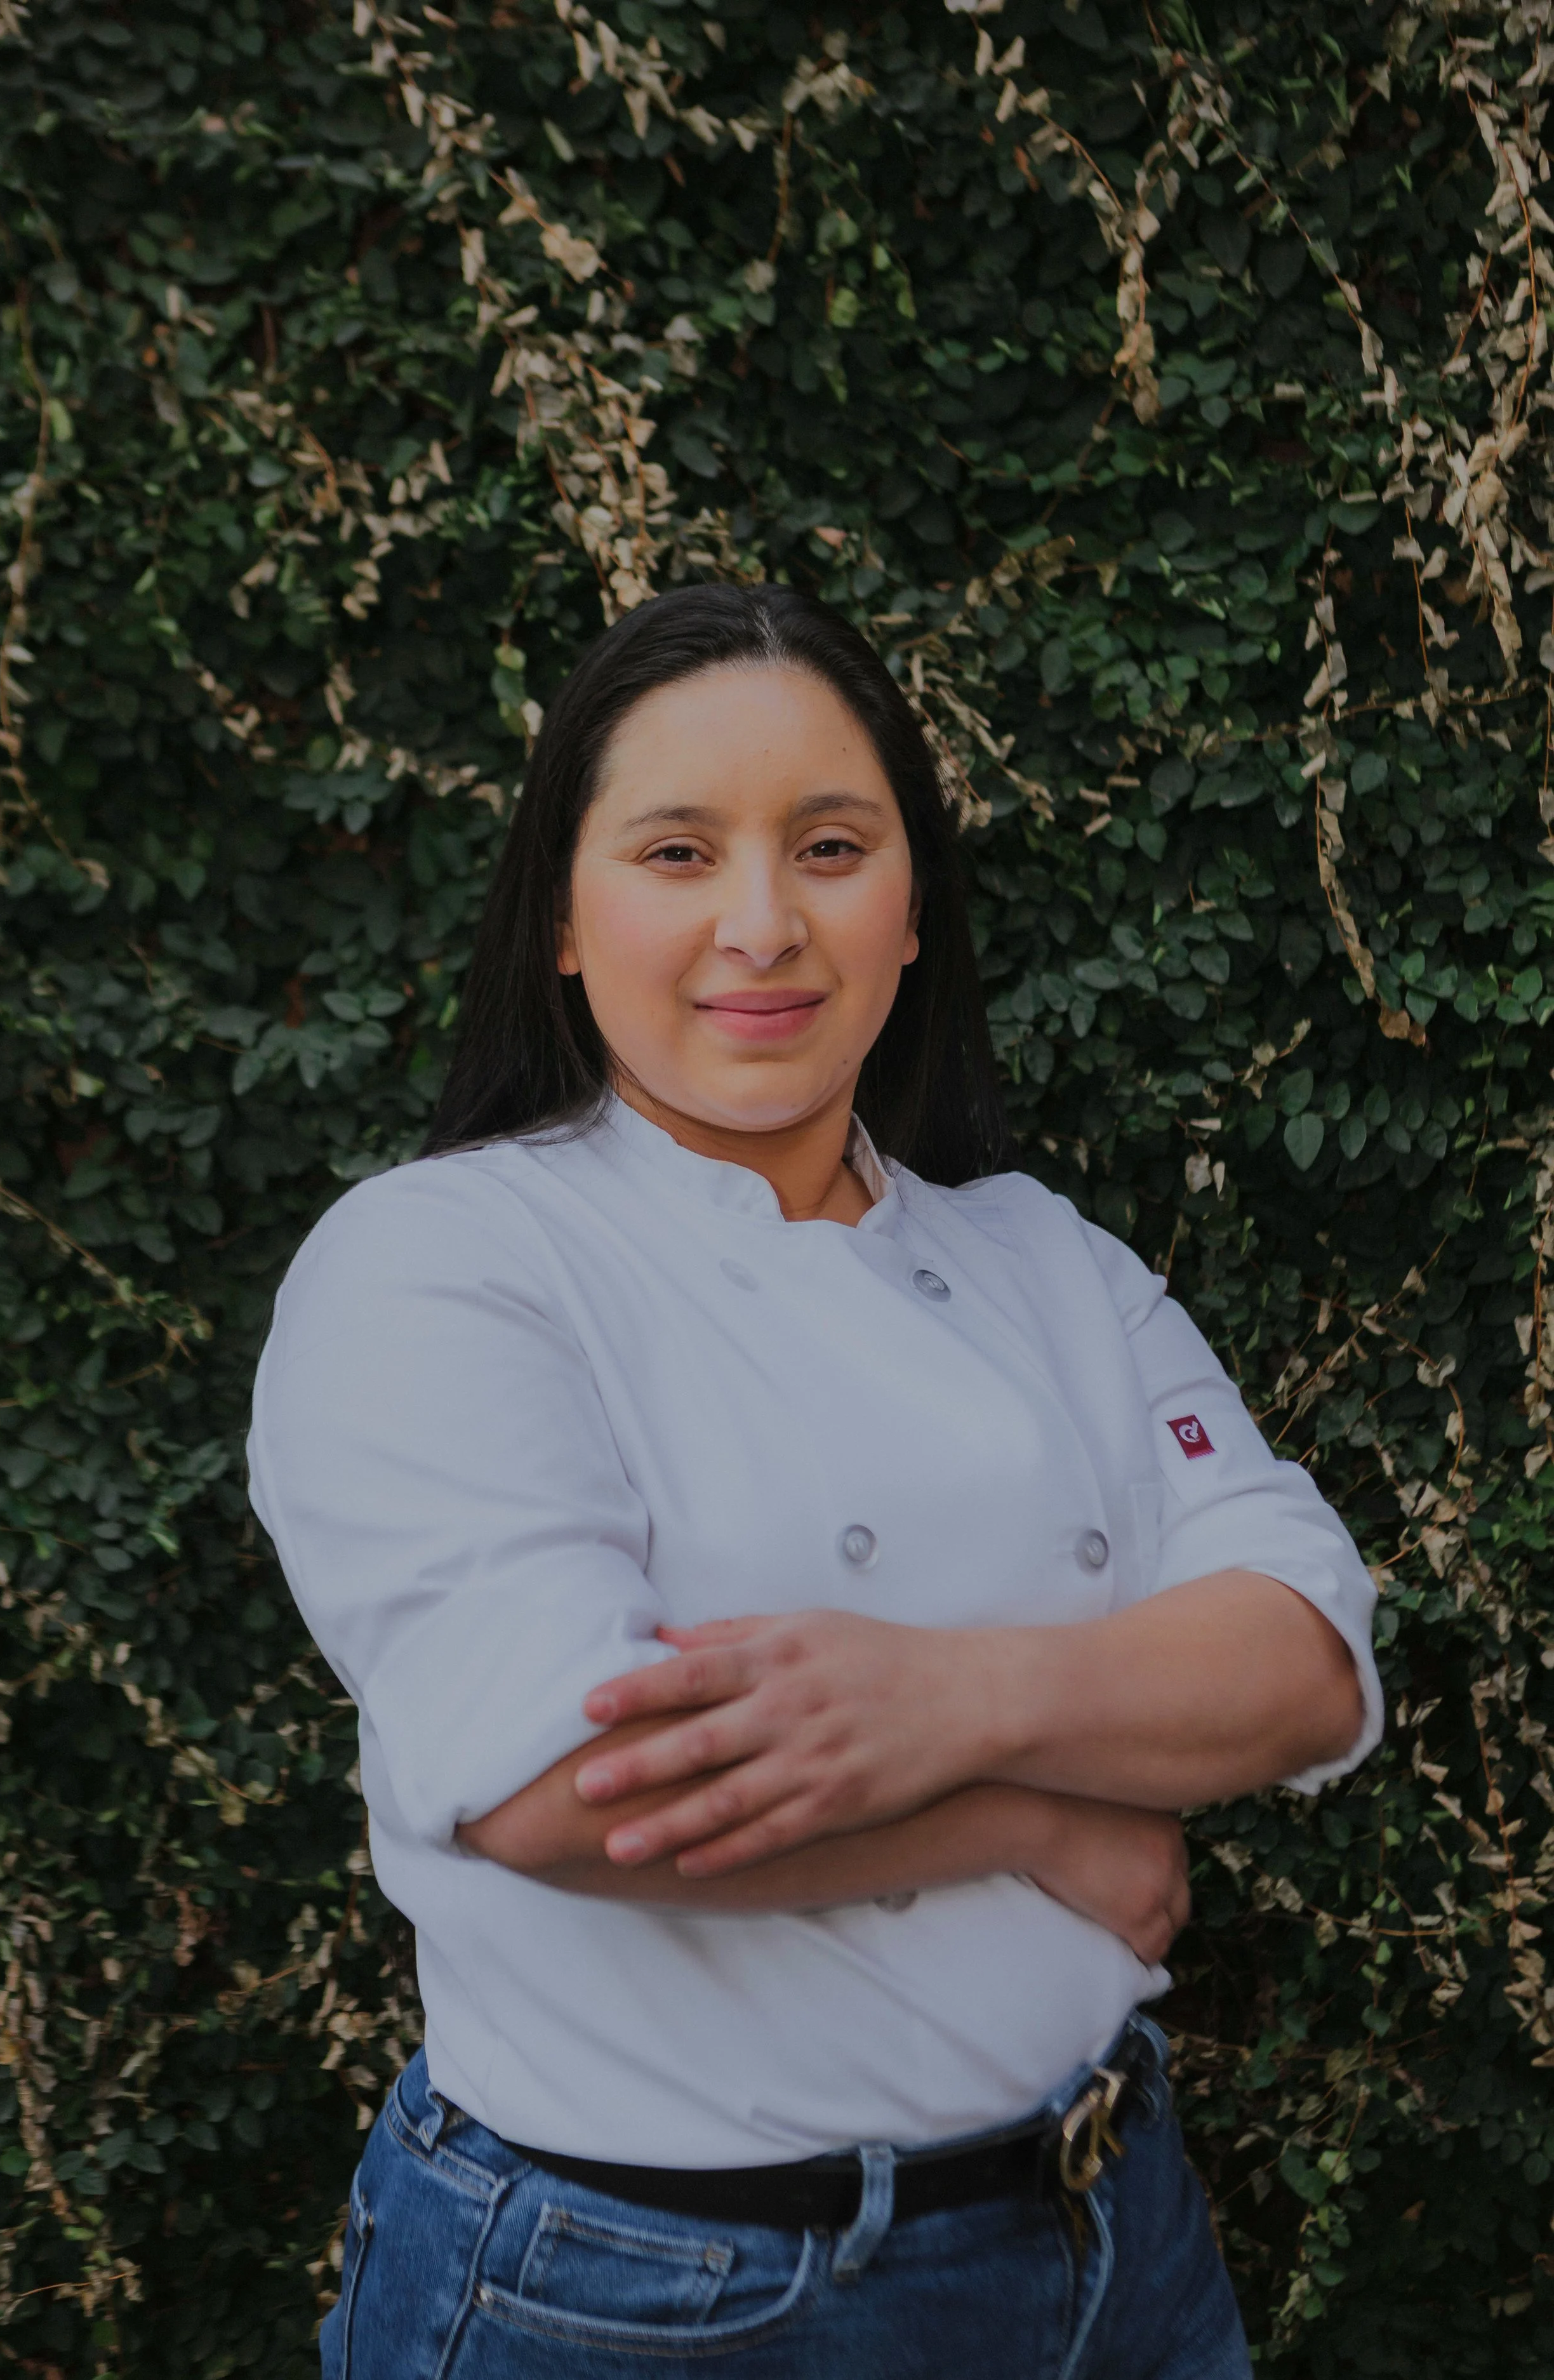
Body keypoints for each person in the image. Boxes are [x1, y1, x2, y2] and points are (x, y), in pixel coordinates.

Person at [248, 583, 1380, 2380]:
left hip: (1115, 2240)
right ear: (560, 910)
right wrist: (1036, 1819)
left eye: (832, 846)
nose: (760, 923)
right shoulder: (442, 1261)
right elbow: (564, 1785)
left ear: (912, 906)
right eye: (678, 850)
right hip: (650, 2297)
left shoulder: (1042, 1259)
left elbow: (1304, 1658)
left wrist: (944, 1698)